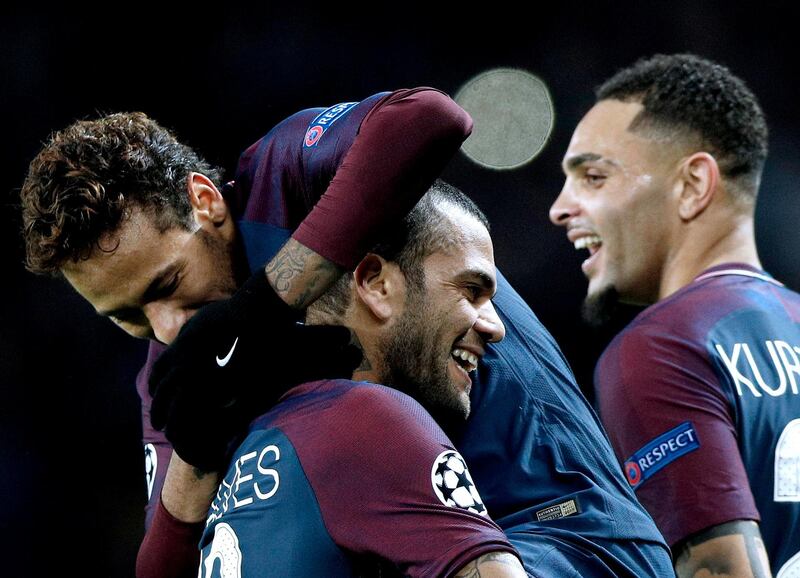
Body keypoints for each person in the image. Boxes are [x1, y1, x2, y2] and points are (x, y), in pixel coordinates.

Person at [21, 88, 671, 576]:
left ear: (205, 201)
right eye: (126, 317)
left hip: (565, 529)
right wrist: (194, 454)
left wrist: (266, 305)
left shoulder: (280, 177)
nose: (164, 327)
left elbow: (430, 119)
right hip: (441, 543)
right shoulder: (182, 367)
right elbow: (165, 567)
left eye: (165, 285)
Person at [551, 53, 800, 577]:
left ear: (691, 185)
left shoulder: (662, 346)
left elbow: (722, 570)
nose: (559, 208)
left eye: (593, 177)